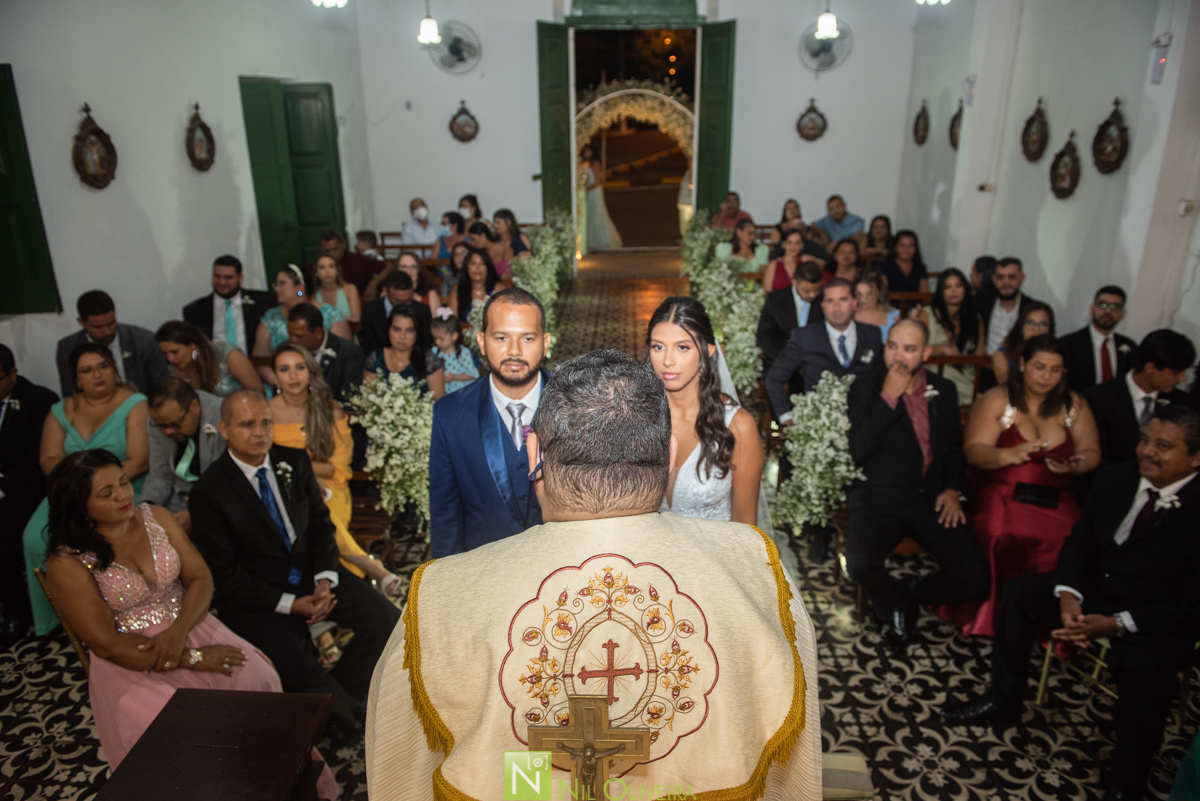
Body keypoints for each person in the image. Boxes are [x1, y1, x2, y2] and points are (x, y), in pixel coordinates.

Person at [367, 350, 821, 800]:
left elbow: (400, 771)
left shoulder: (441, 596)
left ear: (533, 453)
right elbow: (793, 776)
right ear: (670, 453)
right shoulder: (756, 569)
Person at [41, 450, 339, 797]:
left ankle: (285, 785)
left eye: (123, 483)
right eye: (106, 494)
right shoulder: (67, 561)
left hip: (191, 624)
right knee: (178, 729)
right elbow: (106, 643)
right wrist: (191, 658)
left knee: (260, 676)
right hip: (131, 658)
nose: (123, 495)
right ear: (78, 505)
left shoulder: (157, 516)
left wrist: (180, 634)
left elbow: (200, 578)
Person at [942, 406, 1200, 801]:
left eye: (1163, 447)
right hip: (1096, 591)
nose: (1146, 451)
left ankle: (1127, 779)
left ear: (1196, 457)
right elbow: (1079, 544)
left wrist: (1115, 624)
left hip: (1156, 618)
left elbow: (1191, 606)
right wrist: (1068, 596)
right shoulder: (1117, 477)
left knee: (1147, 674)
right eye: (1145, 440)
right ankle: (1004, 698)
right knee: (1019, 595)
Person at [187, 391, 401, 736]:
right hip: (261, 595)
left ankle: (344, 692)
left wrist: (324, 580)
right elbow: (226, 575)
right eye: (247, 424)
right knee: (300, 671)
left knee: (387, 621)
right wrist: (290, 604)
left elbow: (320, 526)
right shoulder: (209, 492)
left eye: (265, 422)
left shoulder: (293, 461)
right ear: (224, 429)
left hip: (313, 577)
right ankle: (351, 719)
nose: (259, 432)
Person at [846, 319, 988, 651]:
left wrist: (953, 489)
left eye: (909, 349)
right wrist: (888, 399)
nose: (898, 356)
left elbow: (953, 448)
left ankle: (910, 594)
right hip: (878, 497)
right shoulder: (865, 387)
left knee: (975, 579)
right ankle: (897, 604)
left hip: (931, 497)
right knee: (859, 564)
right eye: (892, 346)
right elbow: (857, 450)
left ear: (925, 353)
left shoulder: (944, 389)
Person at [951, 334, 1101, 637]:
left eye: (1055, 370)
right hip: (1001, 489)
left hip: (1055, 495)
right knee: (1001, 532)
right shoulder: (997, 400)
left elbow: (1092, 453)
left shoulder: (1074, 405)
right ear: (1022, 364)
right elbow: (974, 452)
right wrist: (1010, 454)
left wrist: (1075, 463)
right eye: (1039, 367)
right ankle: (992, 614)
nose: (1046, 376)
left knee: (1071, 538)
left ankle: (1051, 621)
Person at [24, 342, 149, 635]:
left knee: (99, 538)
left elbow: (139, 460)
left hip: (124, 486)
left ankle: (115, 613)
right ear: (76, 378)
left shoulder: (134, 403)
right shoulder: (60, 409)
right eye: (87, 370)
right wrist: (81, 493)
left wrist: (101, 492)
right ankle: (58, 618)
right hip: (70, 494)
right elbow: (48, 461)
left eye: (103, 366)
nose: (97, 375)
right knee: (34, 540)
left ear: (114, 368)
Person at [269, 344, 401, 595]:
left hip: (332, 489)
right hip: (283, 490)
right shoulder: (266, 412)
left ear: (310, 371)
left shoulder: (330, 409)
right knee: (300, 515)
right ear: (274, 376)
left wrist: (300, 469)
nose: (293, 376)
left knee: (318, 515)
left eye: (300, 368)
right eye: (284, 369)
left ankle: (326, 604)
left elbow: (338, 470)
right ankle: (365, 563)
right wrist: (303, 473)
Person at [428, 288, 550, 558]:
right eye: (502, 337)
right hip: (483, 576)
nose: (514, 351)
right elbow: (445, 516)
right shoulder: (449, 416)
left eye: (527, 338)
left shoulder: (578, 407)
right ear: (481, 341)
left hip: (561, 578)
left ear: (546, 341)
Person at [648, 297, 766, 527]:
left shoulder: (738, 426)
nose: (668, 361)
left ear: (707, 351)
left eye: (682, 347)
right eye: (658, 347)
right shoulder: (638, 417)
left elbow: (745, 526)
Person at [0, 346, 58, 646]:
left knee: (5, 530)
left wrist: (3, 487)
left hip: (28, 486)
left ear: (13, 373)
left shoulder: (40, 400)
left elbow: (37, 459)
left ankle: (16, 612)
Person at [766, 278, 883, 421]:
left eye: (843, 299)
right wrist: (787, 417)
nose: (837, 307)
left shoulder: (872, 335)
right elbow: (774, 378)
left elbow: (882, 377)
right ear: (823, 305)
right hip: (820, 422)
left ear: (854, 303)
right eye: (830, 301)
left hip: (865, 419)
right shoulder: (805, 337)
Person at [1085, 329, 1195, 468]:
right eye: (1175, 372)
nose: (1182, 379)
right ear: (1150, 368)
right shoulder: (1098, 399)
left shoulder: (1184, 404)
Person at [142, 377, 226, 531]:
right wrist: (146, 511)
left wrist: (197, 514)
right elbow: (160, 476)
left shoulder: (223, 415)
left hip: (221, 504)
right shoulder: (157, 421)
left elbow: (231, 482)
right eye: (162, 426)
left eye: (175, 424)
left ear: (194, 406)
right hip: (177, 503)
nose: (167, 431)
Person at [56, 290, 168, 398]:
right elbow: (70, 393)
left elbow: (162, 389)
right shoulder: (68, 348)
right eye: (98, 327)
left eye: (111, 323)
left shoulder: (144, 340)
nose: (107, 331)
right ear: (81, 322)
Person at [253, 265, 349, 384]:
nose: (277, 288)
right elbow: (260, 360)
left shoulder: (330, 315)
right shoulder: (271, 317)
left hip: (327, 380)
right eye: (276, 284)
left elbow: (344, 355)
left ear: (300, 287)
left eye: (282, 283)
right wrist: (280, 382)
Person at [909, 268, 984, 405]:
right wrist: (944, 350)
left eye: (958, 286)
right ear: (941, 291)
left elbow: (980, 355)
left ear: (965, 288)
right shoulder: (926, 314)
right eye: (947, 287)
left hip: (966, 373)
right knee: (946, 379)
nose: (953, 291)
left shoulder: (976, 319)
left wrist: (960, 360)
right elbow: (915, 349)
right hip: (935, 369)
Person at [182, 255, 277, 354]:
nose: (222, 282)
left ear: (240, 278)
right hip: (214, 367)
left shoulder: (263, 301)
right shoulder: (194, 310)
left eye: (228, 278)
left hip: (254, 365)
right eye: (217, 276)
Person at [155, 320, 263, 397]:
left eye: (175, 352)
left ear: (193, 346)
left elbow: (258, 391)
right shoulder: (173, 371)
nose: (170, 358)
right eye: (165, 354)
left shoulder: (228, 355)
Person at [1060, 286, 1136, 393]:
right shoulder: (1068, 343)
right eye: (1102, 304)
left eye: (1115, 306)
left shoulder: (1129, 346)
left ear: (1123, 313)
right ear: (1092, 308)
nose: (1108, 310)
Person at [285, 303, 365, 405]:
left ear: (318, 333)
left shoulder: (348, 352)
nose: (293, 341)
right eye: (290, 335)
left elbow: (350, 399)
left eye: (299, 337)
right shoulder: (286, 351)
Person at [362, 306, 446, 400]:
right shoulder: (375, 359)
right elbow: (368, 400)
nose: (402, 336)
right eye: (397, 329)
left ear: (417, 333)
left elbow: (438, 402)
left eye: (409, 331)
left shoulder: (429, 360)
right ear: (388, 329)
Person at [757, 261, 825, 375]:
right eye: (807, 291)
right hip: (781, 359)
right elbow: (764, 336)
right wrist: (790, 361)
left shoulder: (824, 300)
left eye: (816, 290)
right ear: (794, 282)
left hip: (815, 363)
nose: (813, 295)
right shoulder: (775, 300)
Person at [359, 270, 433, 356]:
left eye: (406, 301)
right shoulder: (370, 310)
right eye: (397, 301)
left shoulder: (423, 311)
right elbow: (370, 347)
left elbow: (425, 346)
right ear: (386, 291)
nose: (402, 306)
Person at [979, 257, 1042, 356]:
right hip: (984, 367)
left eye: (1011, 277)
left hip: (1018, 368)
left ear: (1022, 278)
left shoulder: (1032, 308)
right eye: (1000, 277)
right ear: (994, 279)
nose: (1006, 282)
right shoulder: (982, 302)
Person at [992, 301, 1054, 385]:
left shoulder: (1056, 355)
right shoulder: (1002, 354)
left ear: (1049, 329)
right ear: (1021, 326)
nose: (1036, 328)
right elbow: (1005, 389)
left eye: (1043, 324)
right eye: (1030, 322)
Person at [317, 229, 388, 301]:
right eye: (327, 251)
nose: (332, 254)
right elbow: (305, 291)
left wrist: (374, 282)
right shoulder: (316, 266)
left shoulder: (359, 260)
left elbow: (387, 266)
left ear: (343, 244)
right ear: (321, 249)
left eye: (335, 249)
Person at [581, 145, 624, 250]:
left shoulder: (595, 164)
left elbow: (596, 182)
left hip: (594, 191)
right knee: (590, 214)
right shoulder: (585, 163)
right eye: (585, 151)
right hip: (590, 190)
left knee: (596, 214)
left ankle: (601, 239)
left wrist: (586, 189)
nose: (586, 153)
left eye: (588, 151)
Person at [430, 309, 480, 394]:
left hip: (462, 392)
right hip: (442, 392)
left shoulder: (463, 352)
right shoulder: (434, 352)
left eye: (441, 339)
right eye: (435, 338)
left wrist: (454, 377)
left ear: (454, 336)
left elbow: (472, 375)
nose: (437, 342)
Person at [761, 229, 827, 293]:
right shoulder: (774, 264)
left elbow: (825, 265)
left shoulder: (805, 260)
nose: (793, 246)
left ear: (802, 245)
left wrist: (812, 259)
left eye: (797, 243)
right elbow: (767, 290)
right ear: (784, 244)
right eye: (789, 242)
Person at [450, 246, 501, 317]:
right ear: (466, 267)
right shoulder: (456, 291)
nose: (477, 268)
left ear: (488, 267)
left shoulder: (498, 288)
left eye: (482, 263)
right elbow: (452, 322)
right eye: (473, 264)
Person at [312, 253, 362, 324]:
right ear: (316, 273)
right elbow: (299, 294)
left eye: (331, 266)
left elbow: (357, 320)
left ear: (337, 270)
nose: (327, 271)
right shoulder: (313, 294)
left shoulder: (350, 289)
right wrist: (299, 293)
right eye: (322, 267)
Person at [876, 229, 929, 294]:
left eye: (911, 245)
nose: (907, 249)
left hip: (915, 303)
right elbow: (883, 294)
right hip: (890, 303)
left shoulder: (919, 267)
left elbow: (925, 295)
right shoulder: (884, 266)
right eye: (902, 245)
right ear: (895, 247)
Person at [854, 269, 901, 340]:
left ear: (879, 292)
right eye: (859, 293)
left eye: (869, 294)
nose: (863, 299)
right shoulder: (848, 314)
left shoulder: (893, 317)